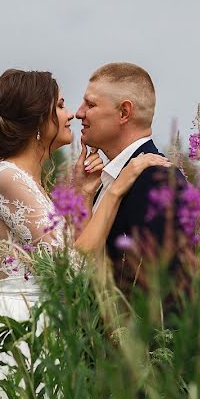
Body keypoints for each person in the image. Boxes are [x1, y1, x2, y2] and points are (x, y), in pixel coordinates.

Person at [0, 68, 170, 399]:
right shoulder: (8, 178)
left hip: (36, 320)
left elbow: (61, 253)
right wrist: (115, 189)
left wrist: (84, 195)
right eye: (63, 106)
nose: (72, 115)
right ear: (39, 120)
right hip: (14, 327)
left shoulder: (29, 181)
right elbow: (70, 261)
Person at [73, 62, 189, 314]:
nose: (79, 113)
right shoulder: (103, 182)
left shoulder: (158, 181)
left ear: (124, 113)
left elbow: (167, 292)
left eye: (90, 104)